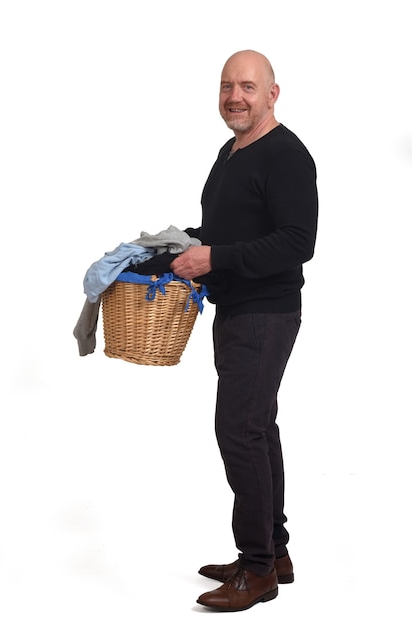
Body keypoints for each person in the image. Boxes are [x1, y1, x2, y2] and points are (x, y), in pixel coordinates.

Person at [170, 49, 318, 612]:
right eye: (228, 86)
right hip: (236, 309)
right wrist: (176, 248)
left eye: (248, 87)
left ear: (273, 94)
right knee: (257, 428)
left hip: (266, 311)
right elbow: (219, 230)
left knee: (238, 431)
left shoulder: (286, 156)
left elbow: (297, 242)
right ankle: (274, 550)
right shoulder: (230, 151)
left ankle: (256, 572)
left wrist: (216, 257)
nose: (235, 96)